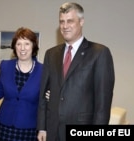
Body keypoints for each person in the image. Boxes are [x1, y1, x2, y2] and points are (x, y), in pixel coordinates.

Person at [37, 2, 115, 141]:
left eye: (70, 21)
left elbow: (103, 104)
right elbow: (43, 94)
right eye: (62, 21)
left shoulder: (99, 53)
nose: (65, 26)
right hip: (52, 131)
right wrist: (42, 127)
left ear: (81, 21)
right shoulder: (51, 54)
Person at [0, 27, 42, 141]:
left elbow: (44, 101)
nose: (22, 48)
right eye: (19, 44)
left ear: (33, 46)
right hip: (5, 127)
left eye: (27, 44)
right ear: (14, 46)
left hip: (30, 129)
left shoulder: (43, 71)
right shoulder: (5, 66)